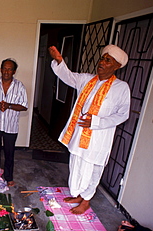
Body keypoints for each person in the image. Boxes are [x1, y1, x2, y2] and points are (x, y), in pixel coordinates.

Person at [48, 45, 130, 214]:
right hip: (79, 135)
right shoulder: (87, 79)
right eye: (102, 58)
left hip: (98, 139)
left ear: (117, 66)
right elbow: (68, 76)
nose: (102, 62)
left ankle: (86, 201)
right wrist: (59, 60)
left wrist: (96, 122)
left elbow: (123, 115)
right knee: (76, 164)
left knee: (93, 168)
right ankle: (78, 194)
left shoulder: (121, 88)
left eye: (108, 60)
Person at [0, 58, 28, 187]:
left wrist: (9, 105)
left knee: (9, 152)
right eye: (4, 68)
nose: (6, 71)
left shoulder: (19, 86)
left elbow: (24, 106)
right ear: (1, 69)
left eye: (9, 69)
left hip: (11, 126)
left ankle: (9, 177)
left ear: (14, 71)